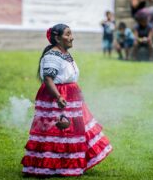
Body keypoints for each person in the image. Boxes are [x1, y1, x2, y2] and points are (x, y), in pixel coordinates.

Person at [21, 24, 112, 176]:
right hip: (58, 96)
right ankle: (50, 166)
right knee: (59, 129)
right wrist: (58, 97)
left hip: (70, 96)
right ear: (57, 38)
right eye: (68, 34)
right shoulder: (52, 55)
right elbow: (48, 80)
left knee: (73, 129)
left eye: (71, 34)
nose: (72, 37)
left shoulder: (64, 54)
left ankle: (67, 164)